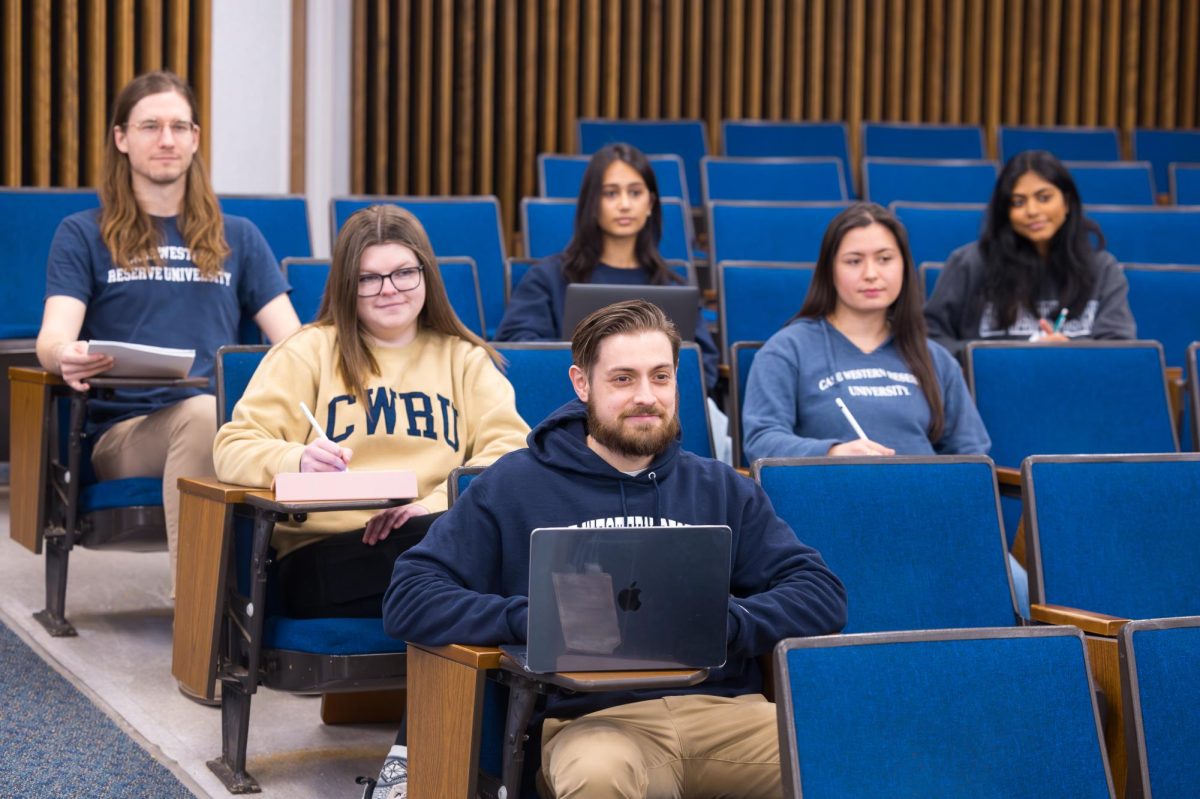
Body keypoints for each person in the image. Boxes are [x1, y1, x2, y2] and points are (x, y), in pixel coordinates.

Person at [382, 299, 847, 798]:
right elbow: (410, 597)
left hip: (726, 714)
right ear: (583, 384)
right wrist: (531, 620)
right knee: (599, 776)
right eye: (623, 379)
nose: (646, 396)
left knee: (849, 755)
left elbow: (821, 595)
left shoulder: (720, 487)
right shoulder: (513, 485)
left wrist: (730, 621)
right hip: (592, 725)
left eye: (661, 377)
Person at [35, 71, 301, 602]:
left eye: (180, 126)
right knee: (203, 415)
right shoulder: (84, 233)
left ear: (196, 139)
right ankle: (200, 625)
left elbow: (293, 343)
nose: (167, 139)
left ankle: (278, 611)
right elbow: (52, 339)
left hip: (226, 425)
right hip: (126, 434)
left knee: (230, 421)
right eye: (151, 126)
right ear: (121, 138)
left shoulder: (238, 236)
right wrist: (68, 354)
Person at [213, 204, 530, 622]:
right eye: (368, 278)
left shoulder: (464, 358)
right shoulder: (307, 351)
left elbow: (509, 455)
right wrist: (298, 461)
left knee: (485, 533)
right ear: (347, 284)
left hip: (435, 535)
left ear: (425, 274)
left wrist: (430, 507)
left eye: (403, 272)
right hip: (329, 555)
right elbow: (232, 447)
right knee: (483, 550)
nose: (389, 289)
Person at [741, 202, 990, 462]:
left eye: (885, 259)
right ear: (829, 271)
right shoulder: (787, 350)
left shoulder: (935, 358)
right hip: (831, 496)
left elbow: (971, 452)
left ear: (904, 266)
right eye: (854, 261)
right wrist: (831, 452)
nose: (871, 274)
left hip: (926, 498)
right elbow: (762, 439)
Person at [494, 143, 720, 391]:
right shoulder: (548, 278)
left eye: (635, 193)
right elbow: (519, 352)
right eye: (611, 193)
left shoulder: (672, 286)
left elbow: (703, 367)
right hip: (571, 412)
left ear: (650, 204)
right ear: (592, 203)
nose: (624, 204)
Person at [924, 150, 1136, 358]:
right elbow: (929, 337)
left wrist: (1072, 351)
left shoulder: (1102, 269)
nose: (1032, 211)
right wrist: (995, 357)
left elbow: (1120, 349)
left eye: (1044, 197)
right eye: (1018, 202)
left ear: (1067, 202)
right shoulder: (969, 263)